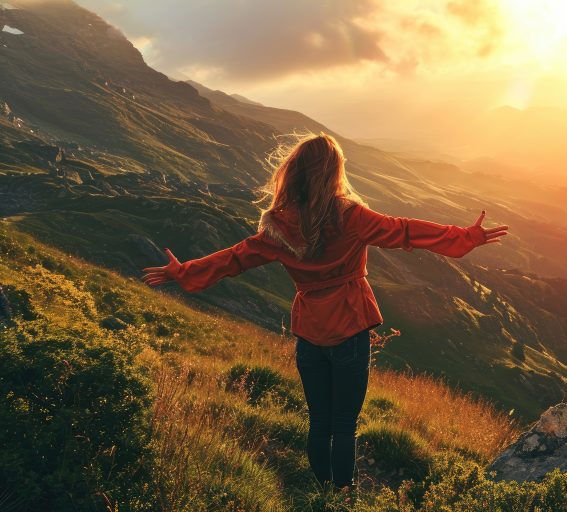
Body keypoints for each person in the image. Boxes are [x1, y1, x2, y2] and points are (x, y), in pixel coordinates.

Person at [141, 134, 508, 489]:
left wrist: (184, 272)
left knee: (319, 421)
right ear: (333, 173)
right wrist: (464, 237)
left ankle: (321, 490)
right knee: (344, 423)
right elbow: (404, 231)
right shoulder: (351, 216)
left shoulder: (278, 225)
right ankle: (343, 495)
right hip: (350, 323)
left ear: (295, 172)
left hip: (309, 331)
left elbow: (235, 258)